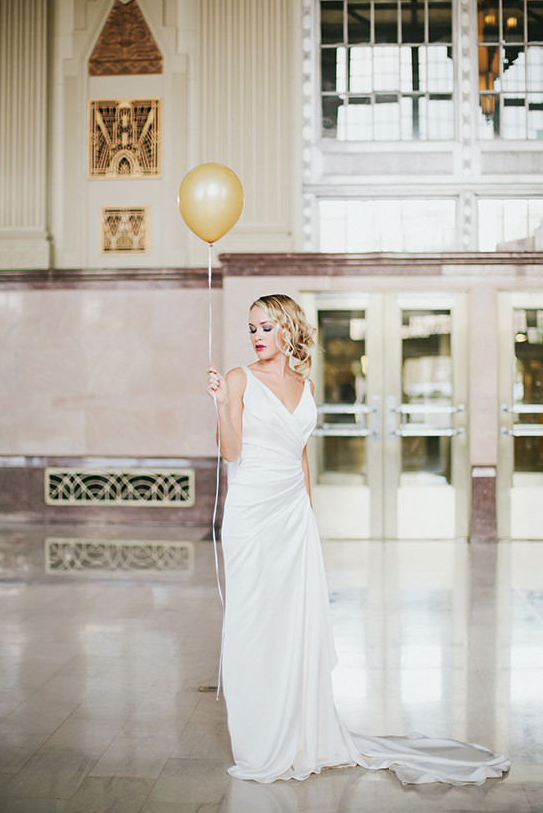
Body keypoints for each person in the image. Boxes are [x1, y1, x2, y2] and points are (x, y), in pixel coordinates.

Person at [205, 293, 510, 785]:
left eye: (266, 327)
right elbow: (231, 452)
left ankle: (298, 729)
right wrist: (222, 405)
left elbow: (300, 454)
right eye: (252, 328)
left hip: (292, 516)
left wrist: (308, 513)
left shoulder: (305, 385)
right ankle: (260, 741)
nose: (257, 336)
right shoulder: (239, 379)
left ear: (287, 329)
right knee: (252, 623)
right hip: (251, 515)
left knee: (293, 623)